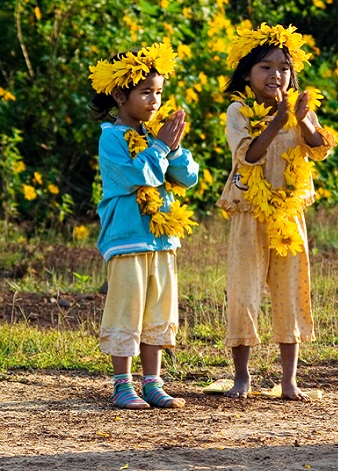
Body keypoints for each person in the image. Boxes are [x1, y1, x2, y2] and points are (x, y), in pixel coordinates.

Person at [216, 23, 335, 400]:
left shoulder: (301, 107)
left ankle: (289, 380)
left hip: (289, 215)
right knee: (244, 292)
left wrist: (298, 120)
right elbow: (247, 157)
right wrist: (278, 121)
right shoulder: (239, 111)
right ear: (247, 74)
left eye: (283, 67)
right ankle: (242, 377)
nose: (276, 75)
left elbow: (319, 148)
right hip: (249, 212)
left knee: (291, 293)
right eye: (265, 68)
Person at [89, 43, 200, 409]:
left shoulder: (158, 138)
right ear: (121, 95)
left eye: (159, 92)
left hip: (162, 238)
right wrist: (161, 149)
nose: (154, 100)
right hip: (127, 240)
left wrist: (175, 148)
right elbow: (138, 177)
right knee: (127, 308)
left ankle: (152, 382)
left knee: (158, 311)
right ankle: (123, 384)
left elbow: (187, 178)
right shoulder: (112, 138)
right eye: (146, 92)